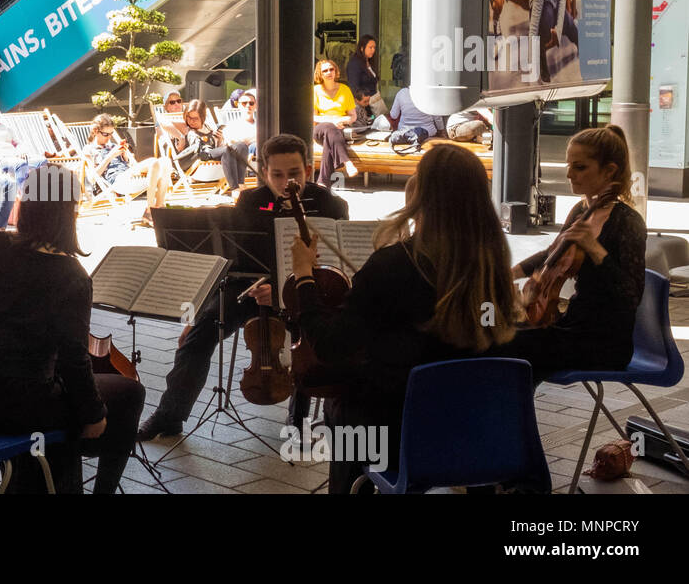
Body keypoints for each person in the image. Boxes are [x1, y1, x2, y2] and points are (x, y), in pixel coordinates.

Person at [291, 144, 521, 493]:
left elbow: (330, 345)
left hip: (393, 435)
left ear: (423, 195)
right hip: (475, 434)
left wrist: (304, 278)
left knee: (343, 405)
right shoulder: (494, 270)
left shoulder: (393, 264)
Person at [0, 165, 145, 494]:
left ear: (26, 204)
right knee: (129, 392)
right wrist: (94, 415)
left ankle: (47, 473)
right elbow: (74, 360)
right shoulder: (72, 275)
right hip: (25, 407)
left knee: (75, 400)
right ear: (68, 212)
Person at [137, 134, 349, 441]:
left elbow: (334, 269)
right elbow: (229, 260)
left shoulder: (330, 204)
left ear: (308, 168)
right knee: (197, 336)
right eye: (277, 175)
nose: (286, 181)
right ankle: (169, 416)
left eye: (294, 174)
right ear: (264, 173)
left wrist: (281, 289)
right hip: (252, 291)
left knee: (311, 337)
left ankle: (298, 417)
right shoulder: (251, 201)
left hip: (306, 293)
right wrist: (197, 311)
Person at [505, 126, 646, 381]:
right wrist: (510, 273)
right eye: (569, 165)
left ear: (609, 171)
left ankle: (513, 417)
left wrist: (595, 249)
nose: (569, 174)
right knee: (493, 329)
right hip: (572, 325)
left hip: (603, 342)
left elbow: (631, 297)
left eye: (580, 167)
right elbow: (552, 253)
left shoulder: (628, 221)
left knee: (508, 347)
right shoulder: (581, 210)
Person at [83, 113, 167, 227]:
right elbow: (92, 178)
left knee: (164, 163)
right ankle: (149, 211)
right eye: (105, 134)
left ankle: (159, 209)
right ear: (95, 131)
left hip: (130, 177)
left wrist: (125, 157)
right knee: (154, 161)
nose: (108, 137)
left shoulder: (113, 146)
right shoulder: (89, 149)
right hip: (117, 182)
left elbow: (130, 165)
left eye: (111, 134)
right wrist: (110, 156)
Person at [311, 59, 360, 187]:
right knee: (329, 127)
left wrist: (342, 120)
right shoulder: (315, 91)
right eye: (325, 70)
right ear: (319, 74)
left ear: (336, 71)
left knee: (330, 141)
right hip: (320, 129)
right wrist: (332, 120)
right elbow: (313, 117)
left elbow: (353, 116)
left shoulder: (345, 89)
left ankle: (322, 182)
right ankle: (347, 163)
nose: (329, 72)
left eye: (331, 69)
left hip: (339, 129)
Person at [346, 35, 385, 117]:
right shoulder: (354, 63)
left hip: (375, 102)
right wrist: (362, 101)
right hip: (365, 104)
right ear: (362, 48)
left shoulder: (369, 61)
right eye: (370, 47)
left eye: (374, 47)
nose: (373, 50)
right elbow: (354, 86)